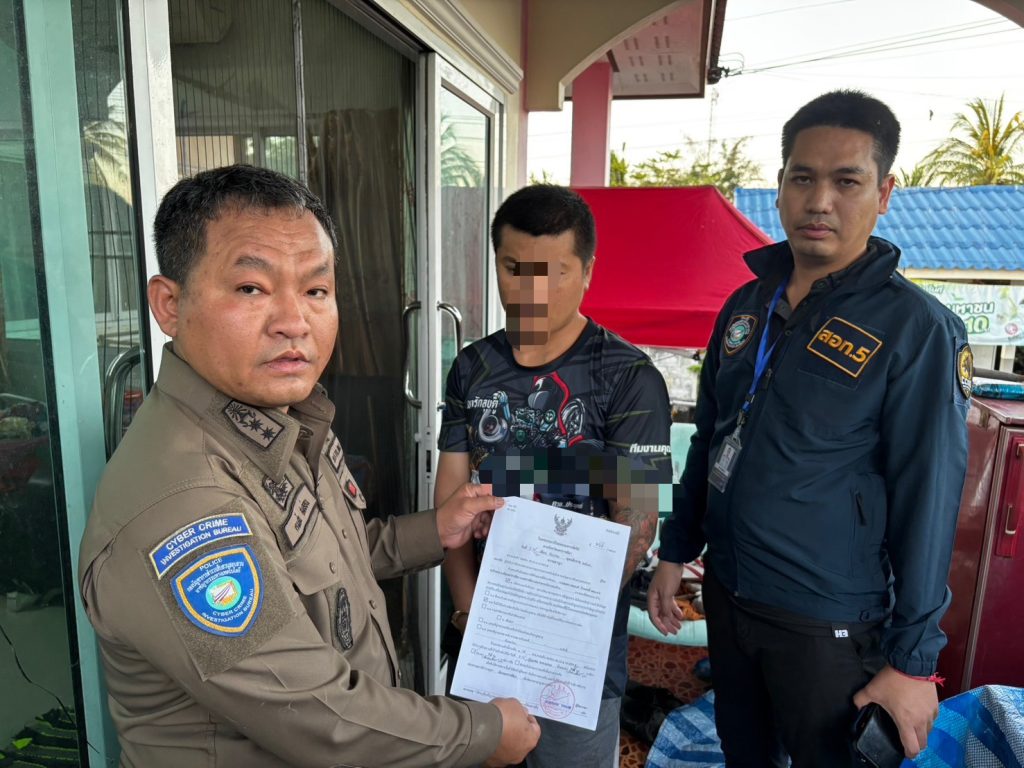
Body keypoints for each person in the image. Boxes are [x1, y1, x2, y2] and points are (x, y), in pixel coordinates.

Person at [78, 164, 541, 768]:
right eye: (252, 288)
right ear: (169, 304)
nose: (294, 322)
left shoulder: (279, 418)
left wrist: (435, 531)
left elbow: (327, 557)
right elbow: (317, 714)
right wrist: (481, 732)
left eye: (316, 291)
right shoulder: (185, 501)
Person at [648, 90, 971, 767]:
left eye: (846, 181)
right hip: (730, 597)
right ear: (780, 185)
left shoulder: (915, 329)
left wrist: (912, 661)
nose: (819, 200)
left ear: (884, 193)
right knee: (744, 755)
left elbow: (929, 497)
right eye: (802, 177)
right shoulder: (746, 304)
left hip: (828, 623)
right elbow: (710, 439)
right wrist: (675, 552)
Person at [436, 184, 672, 768]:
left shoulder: (630, 377)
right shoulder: (472, 368)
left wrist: (556, 628)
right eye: (514, 269)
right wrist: (469, 615)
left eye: (553, 273)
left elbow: (638, 521)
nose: (531, 292)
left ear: (587, 271)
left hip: (578, 653)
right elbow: (451, 505)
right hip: (486, 637)